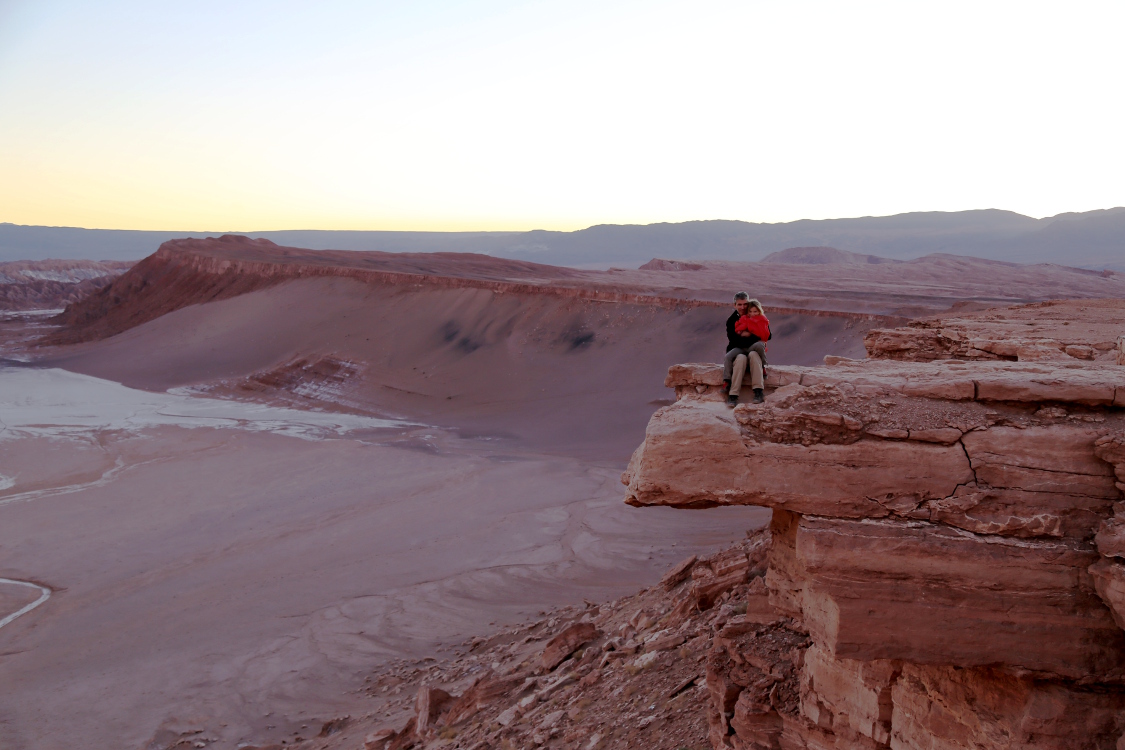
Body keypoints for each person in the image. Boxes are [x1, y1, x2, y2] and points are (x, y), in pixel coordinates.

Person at [722, 293, 771, 406]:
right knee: (741, 358)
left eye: (745, 304)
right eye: (740, 304)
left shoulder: (757, 316)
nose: (743, 307)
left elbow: (768, 335)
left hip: (752, 352)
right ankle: (733, 395)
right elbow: (735, 341)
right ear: (735, 305)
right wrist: (754, 337)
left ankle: (758, 392)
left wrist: (748, 335)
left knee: (754, 354)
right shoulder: (732, 320)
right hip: (738, 351)